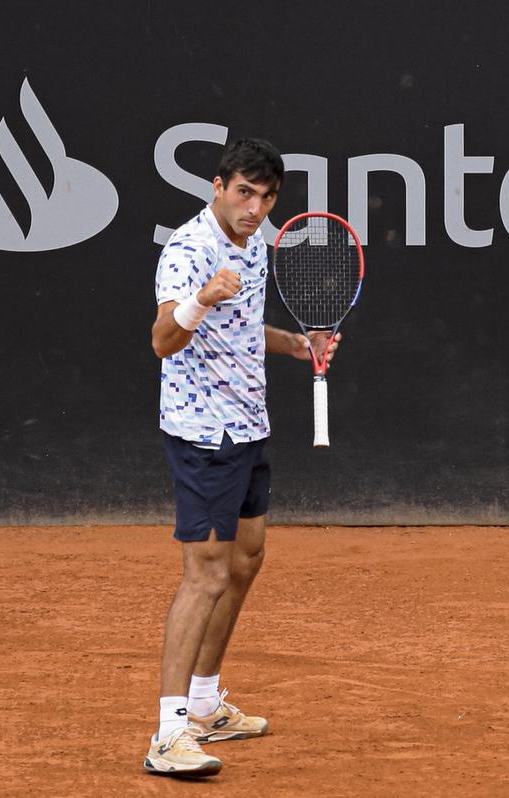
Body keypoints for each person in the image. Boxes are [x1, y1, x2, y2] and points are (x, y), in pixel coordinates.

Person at [145, 138, 339, 777]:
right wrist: (202, 297)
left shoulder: (259, 243)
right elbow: (164, 340)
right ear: (218, 186)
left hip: (249, 426)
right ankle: (169, 733)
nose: (255, 208)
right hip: (203, 435)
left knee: (247, 559)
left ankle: (204, 704)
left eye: (267, 197)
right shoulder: (189, 249)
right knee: (204, 574)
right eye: (244, 193)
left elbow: (245, 329)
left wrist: (298, 344)